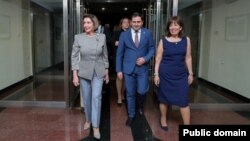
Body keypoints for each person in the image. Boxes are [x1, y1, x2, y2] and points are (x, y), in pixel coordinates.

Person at [71, 14, 109, 139]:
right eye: (84, 23)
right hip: (84, 72)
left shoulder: (101, 37)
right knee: (87, 98)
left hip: (98, 71)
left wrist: (106, 71)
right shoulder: (78, 38)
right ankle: (88, 119)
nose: (86, 25)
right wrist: (75, 75)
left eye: (88, 23)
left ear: (94, 24)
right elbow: (74, 57)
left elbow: (105, 56)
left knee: (96, 97)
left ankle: (96, 126)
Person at [154, 16, 194, 131]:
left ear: (180, 27)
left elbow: (188, 58)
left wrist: (190, 73)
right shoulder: (163, 40)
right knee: (164, 99)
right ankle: (163, 119)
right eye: (171, 25)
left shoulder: (187, 40)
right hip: (165, 74)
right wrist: (156, 74)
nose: (173, 27)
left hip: (181, 75)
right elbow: (158, 58)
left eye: (176, 25)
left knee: (183, 100)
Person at [116, 12, 155, 127]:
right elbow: (120, 54)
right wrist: (119, 70)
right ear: (131, 22)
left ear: (142, 22)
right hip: (128, 69)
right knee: (130, 93)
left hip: (142, 68)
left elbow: (152, 49)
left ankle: (140, 105)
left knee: (142, 91)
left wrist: (145, 58)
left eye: (138, 22)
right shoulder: (124, 35)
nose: (136, 24)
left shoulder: (147, 33)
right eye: (134, 22)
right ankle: (131, 115)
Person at [112, 17, 130, 106]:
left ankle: (123, 94)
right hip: (119, 58)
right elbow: (113, 43)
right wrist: (121, 42)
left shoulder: (132, 33)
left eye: (128, 22)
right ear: (121, 24)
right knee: (119, 77)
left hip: (129, 58)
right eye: (124, 22)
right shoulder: (116, 33)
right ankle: (119, 96)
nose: (126, 24)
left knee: (126, 77)